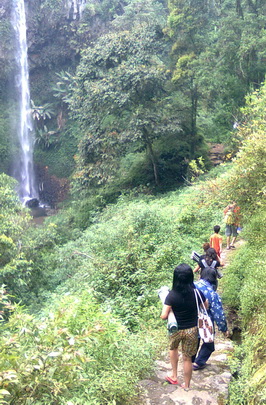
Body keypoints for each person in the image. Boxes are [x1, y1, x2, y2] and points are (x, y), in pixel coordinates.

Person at [160, 264, 207, 390]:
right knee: (187, 358)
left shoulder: (171, 295)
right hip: (192, 329)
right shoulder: (197, 292)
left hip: (175, 329)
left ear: (175, 278)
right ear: (190, 277)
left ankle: (174, 376)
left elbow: (163, 316)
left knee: (173, 348)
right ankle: (186, 385)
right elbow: (205, 306)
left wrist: (170, 311)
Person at [192, 267, 229, 370]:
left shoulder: (192, 285)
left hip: (190, 319)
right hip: (204, 321)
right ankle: (198, 363)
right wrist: (223, 328)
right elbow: (218, 314)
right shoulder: (212, 293)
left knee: (194, 341)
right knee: (209, 344)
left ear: (201, 275)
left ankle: (190, 361)